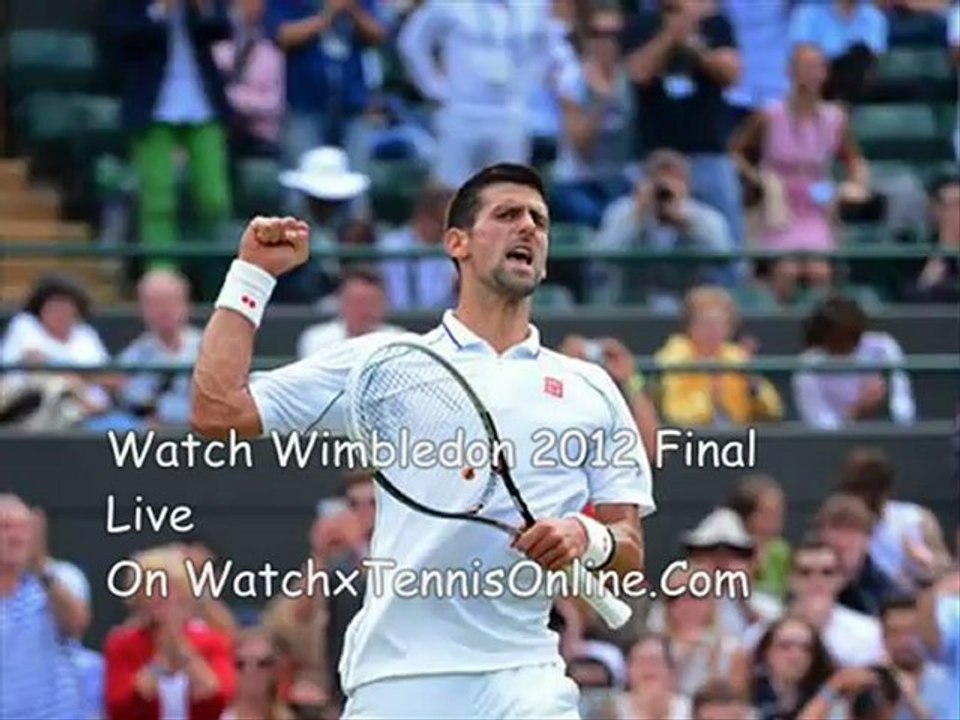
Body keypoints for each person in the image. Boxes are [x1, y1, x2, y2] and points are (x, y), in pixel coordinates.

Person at [189, 163, 656, 718]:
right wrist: (252, 276)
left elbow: (628, 551)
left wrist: (587, 536)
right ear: (456, 243)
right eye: (507, 215)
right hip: (401, 678)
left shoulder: (592, 388)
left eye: (539, 220)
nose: (528, 228)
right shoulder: (384, 364)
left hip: (524, 676)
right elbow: (218, 409)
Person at [793, 295, 917, 430]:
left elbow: (903, 405)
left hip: (886, 435)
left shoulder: (883, 347)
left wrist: (900, 429)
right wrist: (856, 411)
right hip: (837, 446)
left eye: (852, 339)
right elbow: (819, 424)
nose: (847, 346)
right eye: (838, 340)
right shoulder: (808, 365)